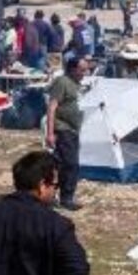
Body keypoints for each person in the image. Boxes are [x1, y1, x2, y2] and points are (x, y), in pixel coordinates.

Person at [46, 55, 87, 212]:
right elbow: (52, 107)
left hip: (73, 129)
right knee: (71, 164)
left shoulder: (77, 84)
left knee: (62, 164)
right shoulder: (62, 82)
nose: (84, 72)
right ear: (72, 69)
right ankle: (66, 198)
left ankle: (53, 192)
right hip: (62, 128)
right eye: (81, 69)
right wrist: (50, 133)